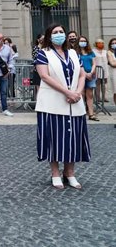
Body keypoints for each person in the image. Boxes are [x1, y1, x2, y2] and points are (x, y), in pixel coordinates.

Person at [34, 23, 90, 190]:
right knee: (54, 138)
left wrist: (77, 93)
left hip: (74, 103)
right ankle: (55, 173)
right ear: (49, 36)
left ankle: (70, 173)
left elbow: (82, 74)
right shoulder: (44, 54)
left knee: (73, 139)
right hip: (53, 103)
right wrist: (67, 92)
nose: (59, 34)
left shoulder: (73, 53)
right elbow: (45, 76)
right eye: (55, 32)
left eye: (61, 32)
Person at [78, 36, 98, 121]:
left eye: (84, 41)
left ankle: (91, 114)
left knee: (89, 95)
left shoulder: (90, 52)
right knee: (81, 94)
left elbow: (94, 63)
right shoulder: (76, 52)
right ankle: (81, 113)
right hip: (80, 76)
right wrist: (85, 74)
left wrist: (91, 72)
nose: (83, 42)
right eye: (81, 41)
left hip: (91, 76)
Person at [92, 38, 108, 105]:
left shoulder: (105, 51)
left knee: (104, 84)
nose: (100, 44)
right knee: (97, 84)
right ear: (95, 44)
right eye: (98, 43)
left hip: (105, 69)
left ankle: (104, 97)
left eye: (102, 43)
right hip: (97, 69)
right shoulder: (93, 51)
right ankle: (97, 98)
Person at [107, 37, 116, 104]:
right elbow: (112, 63)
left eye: (115, 43)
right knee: (115, 91)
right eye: (112, 43)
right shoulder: (109, 52)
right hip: (114, 73)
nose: (114, 44)